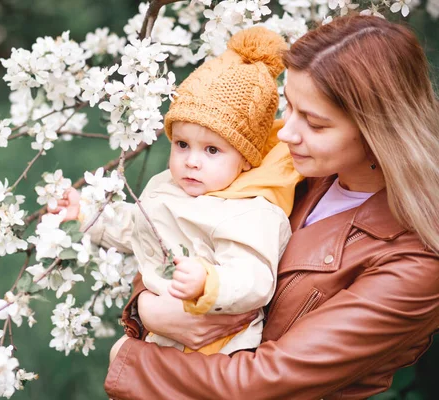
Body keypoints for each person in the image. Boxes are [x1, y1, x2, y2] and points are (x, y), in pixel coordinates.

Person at [104, 15, 439, 400]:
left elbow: (266, 382)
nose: (286, 132)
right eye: (290, 106)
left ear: (378, 129)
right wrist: (149, 307)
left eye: (314, 123)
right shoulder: (285, 163)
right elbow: (175, 224)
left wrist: (128, 361)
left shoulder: (416, 262)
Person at [51, 27, 301, 356]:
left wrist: (209, 282)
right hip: (165, 337)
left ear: (244, 159)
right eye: (182, 144)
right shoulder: (169, 188)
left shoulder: (250, 210)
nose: (192, 161)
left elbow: (253, 278)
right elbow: (139, 229)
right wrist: (86, 214)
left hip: (220, 346)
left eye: (212, 150)